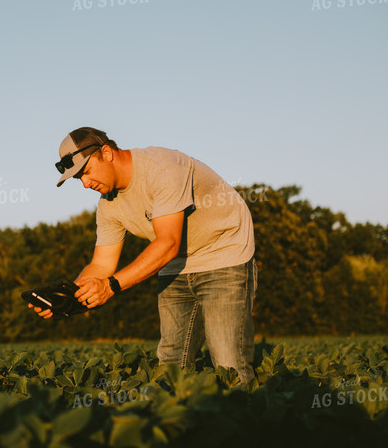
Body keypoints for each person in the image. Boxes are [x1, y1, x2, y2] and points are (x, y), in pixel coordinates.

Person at [28, 126, 257, 383]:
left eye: (86, 171)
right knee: (170, 362)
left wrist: (111, 286)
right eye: (77, 178)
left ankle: (247, 416)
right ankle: (177, 419)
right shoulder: (108, 205)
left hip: (223, 251)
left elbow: (168, 243)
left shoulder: (163, 168)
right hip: (176, 264)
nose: (85, 184)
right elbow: (101, 264)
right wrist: (68, 299)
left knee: (228, 362)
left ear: (106, 152)